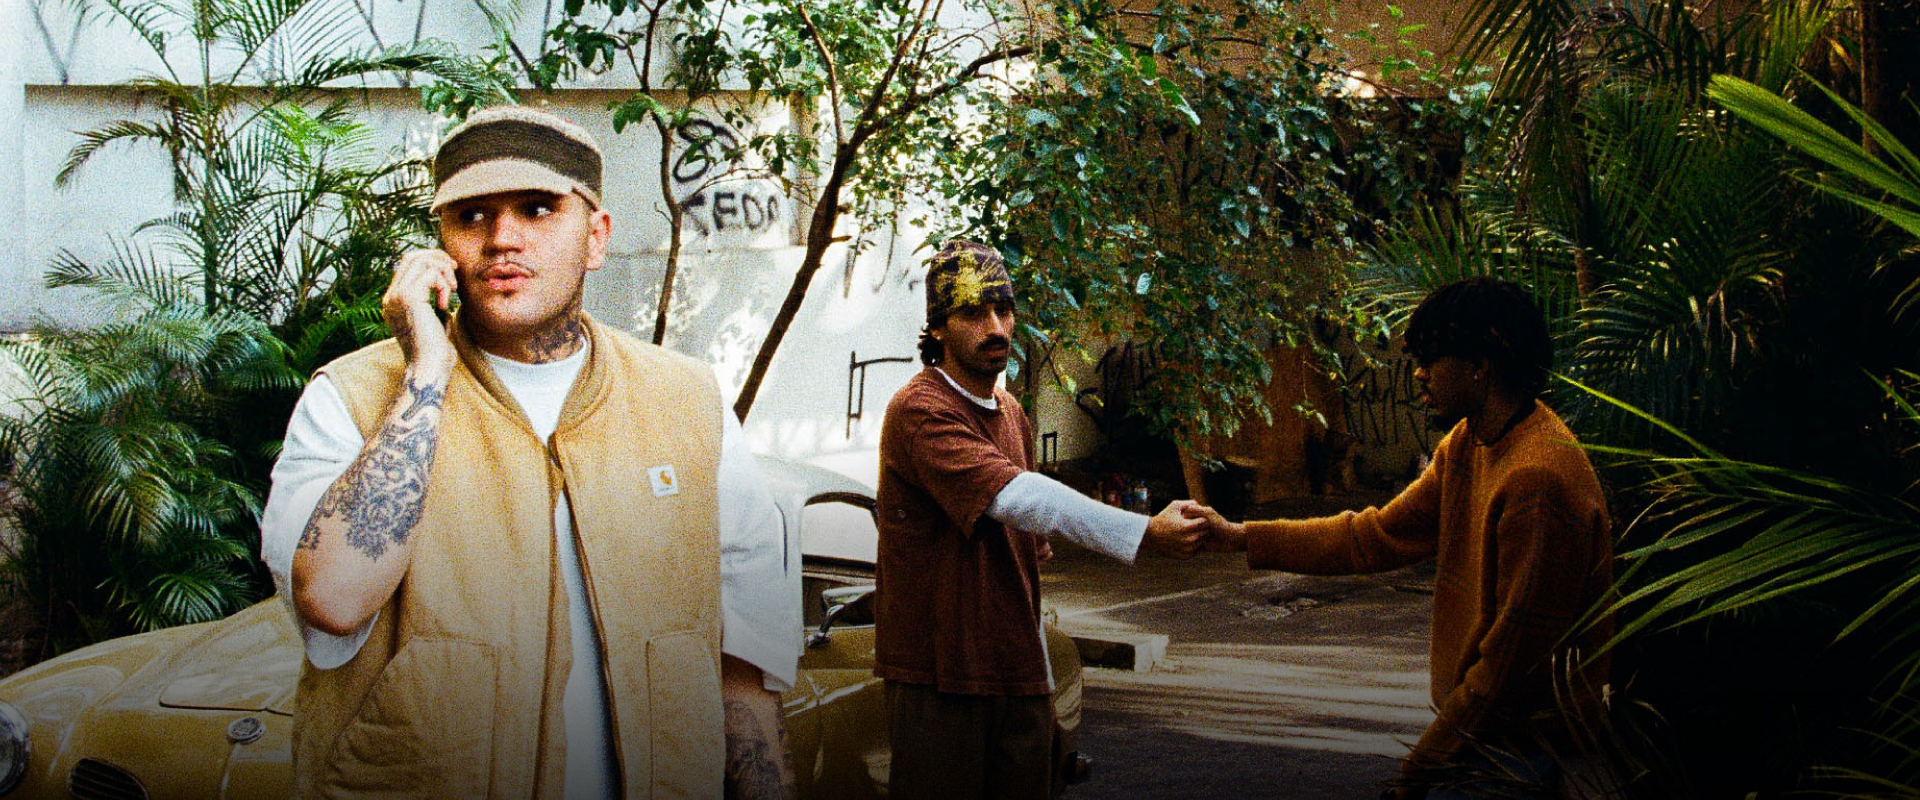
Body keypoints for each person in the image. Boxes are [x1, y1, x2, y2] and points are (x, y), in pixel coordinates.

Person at [258, 106, 797, 800]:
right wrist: (425, 374)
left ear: (596, 237)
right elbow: (333, 597)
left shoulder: (687, 401)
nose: (502, 239)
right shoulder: (353, 397)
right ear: (440, 244)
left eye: (537, 209)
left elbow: (744, 679)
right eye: (471, 216)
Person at [1189, 277, 1613, 800]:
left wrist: (1417, 774)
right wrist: (1238, 536)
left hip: (1519, 749)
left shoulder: (1537, 480)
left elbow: (1503, 674)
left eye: (1431, 358)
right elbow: (1375, 535)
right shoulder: (1469, 442)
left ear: (1480, 365)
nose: (1418, 373)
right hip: (1480, 740)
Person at [874, 240, 1211, 800]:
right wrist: (1144, 531)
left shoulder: (1011, 413)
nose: (995, 327)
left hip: (1018, 669)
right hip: (941, 676)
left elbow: (1027, 552)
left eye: (1003, 310)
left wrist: (1045, 681)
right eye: (973, 312)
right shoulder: (920, 409)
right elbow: (1023, 498)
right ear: (936, 328)